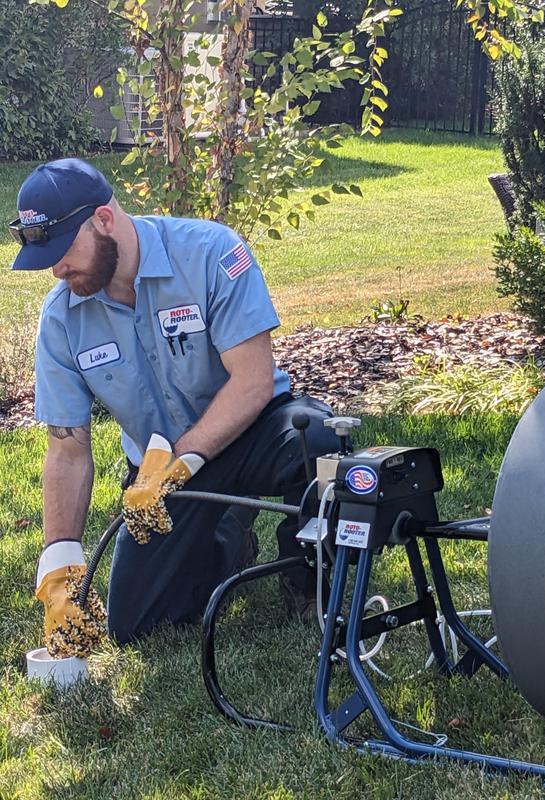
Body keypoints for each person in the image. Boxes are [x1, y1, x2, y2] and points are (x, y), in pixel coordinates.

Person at [10, 158, 339, 658]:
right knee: (134, 623)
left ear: (103, 219)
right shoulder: (61, 320)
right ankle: (227, 539)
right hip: (157, 475)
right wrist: (59, 564)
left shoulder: (210, 253)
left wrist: (184, 457)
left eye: (63, 251)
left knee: (319, 441)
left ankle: (306, 576)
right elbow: (67, 450)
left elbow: (252, 382)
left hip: (250, 431)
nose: (57, 270)